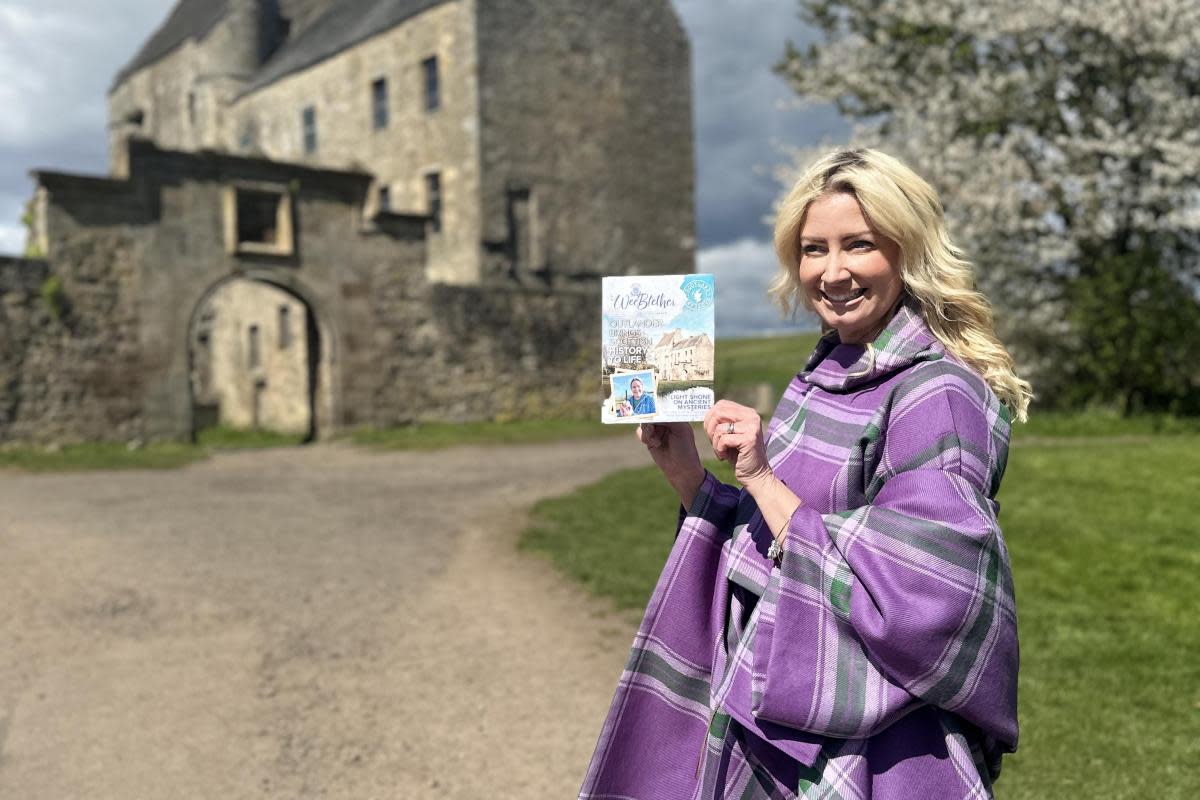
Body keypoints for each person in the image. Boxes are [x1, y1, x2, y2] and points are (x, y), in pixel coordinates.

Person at [579, 149, 1032, 799]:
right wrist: (689, 478)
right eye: (814, 249)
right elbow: (779, 534)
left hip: (880, 740)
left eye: (859, 245)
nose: (833, 271)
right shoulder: (827, 372)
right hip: (782, 711)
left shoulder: (938, 394)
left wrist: (763, 475)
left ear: (908, 250)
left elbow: (931, 594)